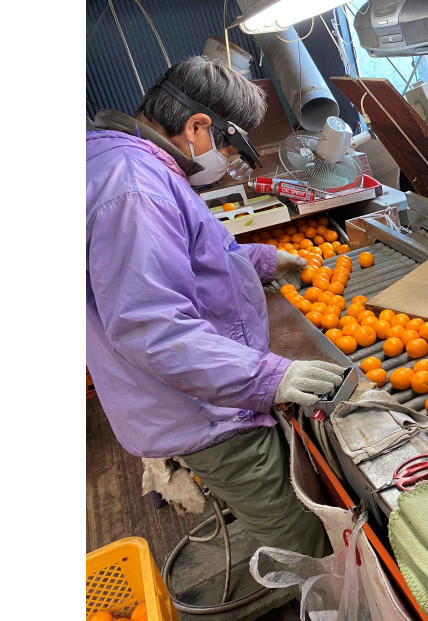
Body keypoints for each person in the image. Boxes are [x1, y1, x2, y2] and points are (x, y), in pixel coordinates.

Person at [87, 57, 338, 557]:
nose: (229, 161)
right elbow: (151, 326)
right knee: (305, 539)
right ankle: (324, 597)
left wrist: (264, 258)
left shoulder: (124, 163)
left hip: (199, 390)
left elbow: (183, 259)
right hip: (205, 411)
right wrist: (267, 379)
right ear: (198, 127)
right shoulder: (134, 186)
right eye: (231, 146)